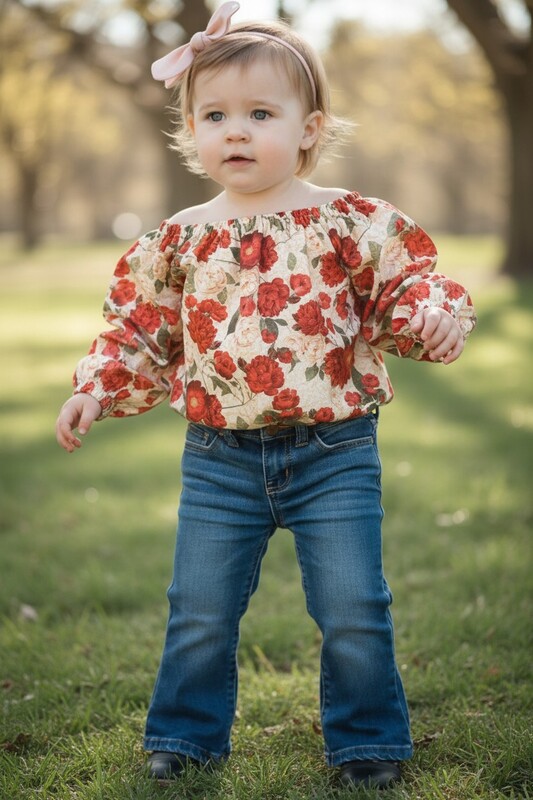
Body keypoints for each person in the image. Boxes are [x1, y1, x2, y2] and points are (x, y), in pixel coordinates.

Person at [55, 1, 476, 790]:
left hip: (333, 449)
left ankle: (366, 742)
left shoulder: (349, 223)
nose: (235, 132)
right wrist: (94, 390)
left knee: (352, 605)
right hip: (218, 458)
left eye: (259, 113)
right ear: (189, 129)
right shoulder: (177, 238)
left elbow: (409, 287)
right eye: (214, 115)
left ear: (309, 128)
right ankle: (183, 736)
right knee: (199, 610)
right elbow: (137, 330)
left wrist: (433, 319)